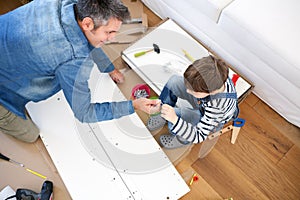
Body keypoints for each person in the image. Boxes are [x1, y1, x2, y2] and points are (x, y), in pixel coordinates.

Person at [0, 0, 160, 143]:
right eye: (109, 32)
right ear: (88, 24)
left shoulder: (71, 4)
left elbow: (85, 39)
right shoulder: (71, 57)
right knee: (31, 135)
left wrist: (109, 68)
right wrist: (134, 105)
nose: (112, 38)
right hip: (4, 90)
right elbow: (84, 113)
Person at [148, 55, 239, 148]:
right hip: (203, 102)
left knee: (175, 121)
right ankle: (162, 111)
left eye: (193, 90)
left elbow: (199, 136)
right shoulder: (217, 76)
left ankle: (182, 140)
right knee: (174, 81)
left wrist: (175, 119)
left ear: (211, 91)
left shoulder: (217, 109)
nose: (188, 91)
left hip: (208, 115)